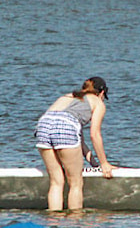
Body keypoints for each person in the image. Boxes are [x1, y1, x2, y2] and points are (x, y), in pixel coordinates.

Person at [34, 76, 114, 211]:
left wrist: (95, 164)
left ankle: (54, 222)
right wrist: (105, 164)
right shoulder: (98, 103)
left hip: (43, 125)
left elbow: (78, 140)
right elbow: (94, 135)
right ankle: (75, 223)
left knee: (56, 182)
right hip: (66, 127)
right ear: (101, 93)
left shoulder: (68, 96)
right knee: (75, 183)